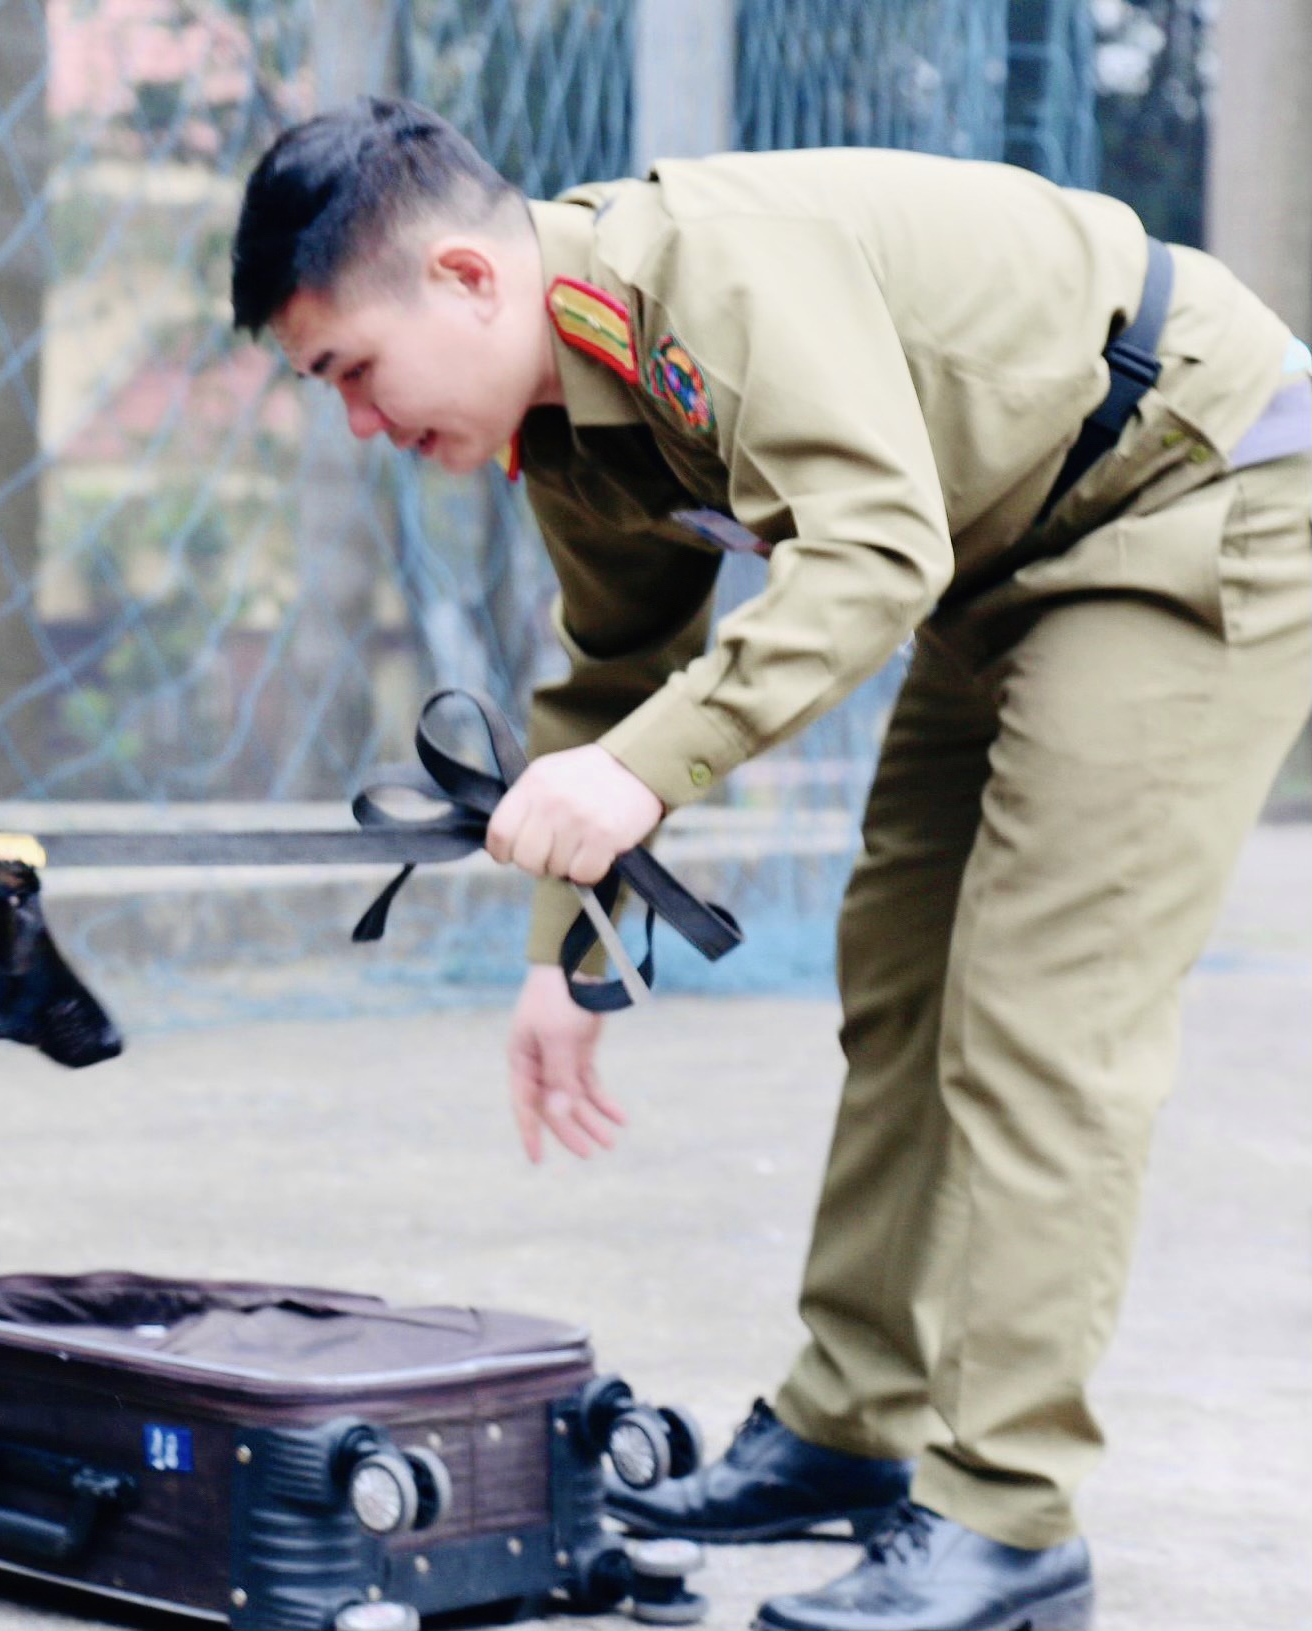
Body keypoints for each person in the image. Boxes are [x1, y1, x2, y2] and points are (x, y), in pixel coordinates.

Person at [228, 97, 1311, 1631]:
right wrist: (565, 959)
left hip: (1192, 493)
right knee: (899, 985)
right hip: (1003, 547)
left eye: (350, 371)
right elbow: (612, 683)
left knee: (1037, 1023)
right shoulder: (571, 430)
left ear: (466, 281)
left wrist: (630, 777)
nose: (356, 423)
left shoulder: (701, 289)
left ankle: (1007, 1526)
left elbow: (868, 553)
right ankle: (844, 1434)